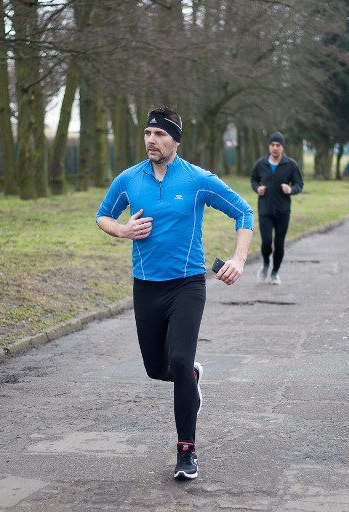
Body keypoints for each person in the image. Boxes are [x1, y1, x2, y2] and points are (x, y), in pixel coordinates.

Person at [96, 106, 254, 480]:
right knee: (157, 369)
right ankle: (191, 378)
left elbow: (244, 213)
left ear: (175, 140)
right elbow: (103, 215)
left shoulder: (198, 180)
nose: (152, 140)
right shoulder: (129, 179)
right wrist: (122, 231)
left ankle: (187, 452)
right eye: (148, 133)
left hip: (187, 284)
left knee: (180, 360)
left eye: (160, 134)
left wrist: (239, 259)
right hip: (146, 286)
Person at [250, 131, 303, 285]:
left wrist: (291, 189)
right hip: (265, 209)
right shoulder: (261, 164)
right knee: (266, 242)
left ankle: (275, 272)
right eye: (272, 145)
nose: (275, 148)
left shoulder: (290, 165)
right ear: (269, 146)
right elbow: (253, 180)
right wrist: (257, 188)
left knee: (279, 243)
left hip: (283, 211)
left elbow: (299, 184)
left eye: (278, 145)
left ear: (282, 147)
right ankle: (266, 263)